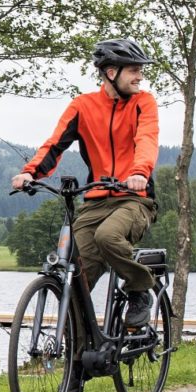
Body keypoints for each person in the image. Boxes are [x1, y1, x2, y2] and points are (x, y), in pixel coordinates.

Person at [11, 37, 160, 328]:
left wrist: (139, 173)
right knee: (75, 272)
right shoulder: (83, 106)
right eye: (134, 70)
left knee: (108, 236)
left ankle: (140, 288)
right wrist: (31, 172)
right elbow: (55, 143)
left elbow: (147, 139)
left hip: (135, 198)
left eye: (140, 70)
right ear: (111, 72)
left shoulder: (143, 103)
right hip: (95, 201)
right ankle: (78, 350)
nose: (140, 77)